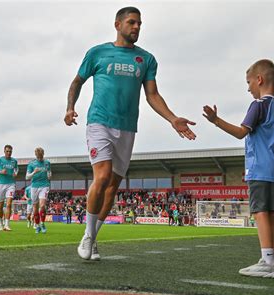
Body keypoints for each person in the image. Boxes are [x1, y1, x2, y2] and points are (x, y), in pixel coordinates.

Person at [64, 6, 196, 261]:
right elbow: (77, 81)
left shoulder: (146, 59)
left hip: (127, 128)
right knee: (101, 177)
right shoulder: (97, 53)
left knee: (112, 188)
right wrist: (70, 108)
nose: (136, 27)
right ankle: (88, 237)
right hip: (99, 122)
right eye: (132, 22)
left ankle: (92, 235)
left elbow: (152, 95)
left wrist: (172, 119)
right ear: (118, 24)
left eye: (139, 24)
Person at [203, 59, 274, 278]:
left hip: (260, 168)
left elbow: (241, 132)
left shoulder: (259, 105)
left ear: (259, 79)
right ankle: (273, 260)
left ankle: (268, 262)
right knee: (272, 215)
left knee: (260, 213)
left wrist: (216, 120)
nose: (248, 88)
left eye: (249, 82)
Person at [0, 145, 18, 231]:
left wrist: (15, 173)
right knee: (0, 204)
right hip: (1, 184)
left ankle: (7, 224)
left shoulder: (14, 161)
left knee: (9, 204)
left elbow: (16, 169)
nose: (9, 153)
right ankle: (0, 222)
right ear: (4, 151)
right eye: (7, 151)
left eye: (10, 151)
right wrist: (0, 172)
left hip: (11, 184)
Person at [26, 147, 51, 234]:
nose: (40, 158)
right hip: (34, 186)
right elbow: (27, 177)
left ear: (43, 154)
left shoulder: (47, 163)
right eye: (38, 157)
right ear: (36, 155)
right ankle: (37, 226)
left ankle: (42, 223)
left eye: (41, 156)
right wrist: (34, 172)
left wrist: (49, 175)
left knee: (42, 205)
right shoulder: (31, 164)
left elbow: (49, 174)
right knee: (35, 209)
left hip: (44, 185)